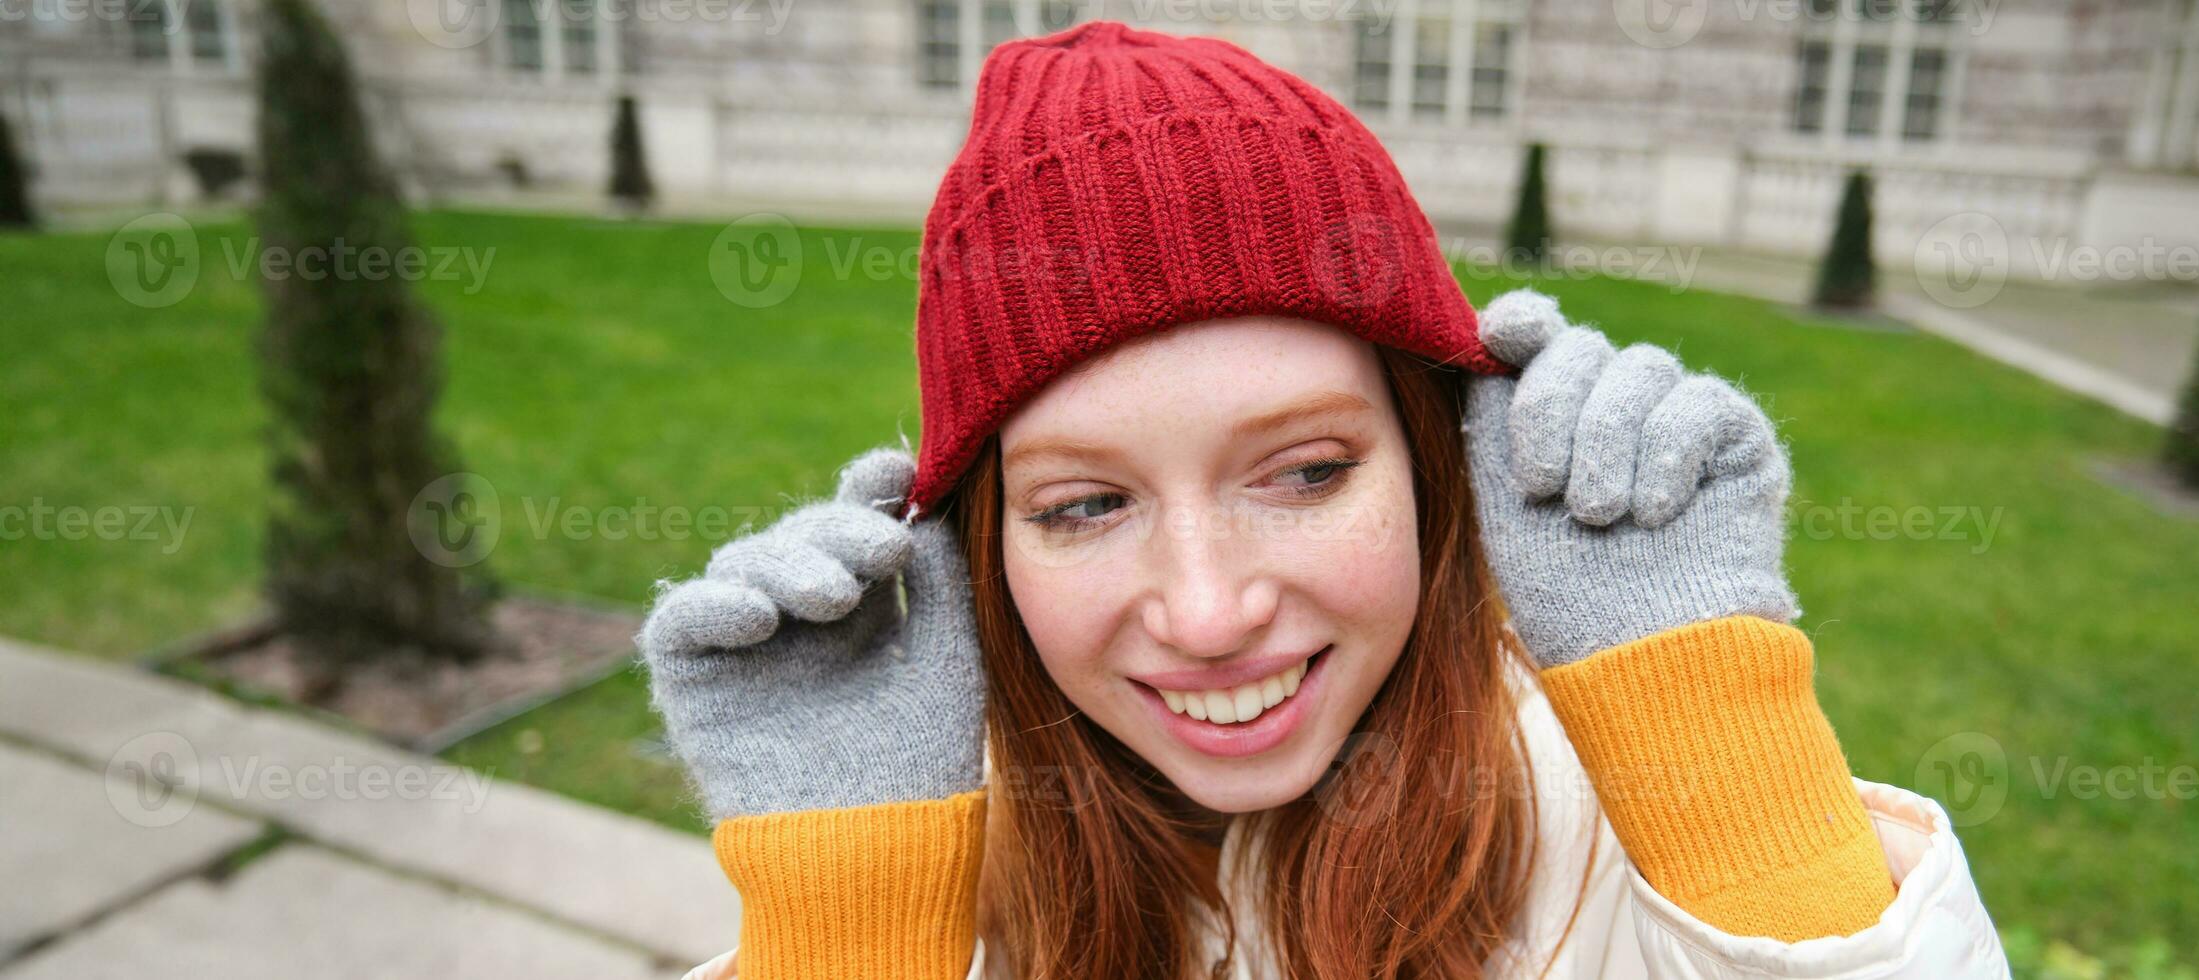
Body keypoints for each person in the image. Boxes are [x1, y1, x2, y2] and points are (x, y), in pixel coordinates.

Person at [639, 21, 2004, 980]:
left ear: (1442, 460)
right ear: (974, 548)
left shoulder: (1629, 836)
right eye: (1084, 506)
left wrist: (1721, 740)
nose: (1212, 610)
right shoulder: (921, 880)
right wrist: (851, 920)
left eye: (1304, 473)